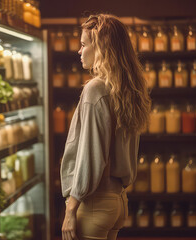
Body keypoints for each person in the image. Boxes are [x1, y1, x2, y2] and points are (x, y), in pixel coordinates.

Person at [60, 14, 151, 240]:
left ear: (100, 48)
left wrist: (71, 209)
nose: (79, 51)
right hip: (117, 202)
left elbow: (91, 157)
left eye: (83, 45)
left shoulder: (95, 90)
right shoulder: (128, 90)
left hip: (93, 203)